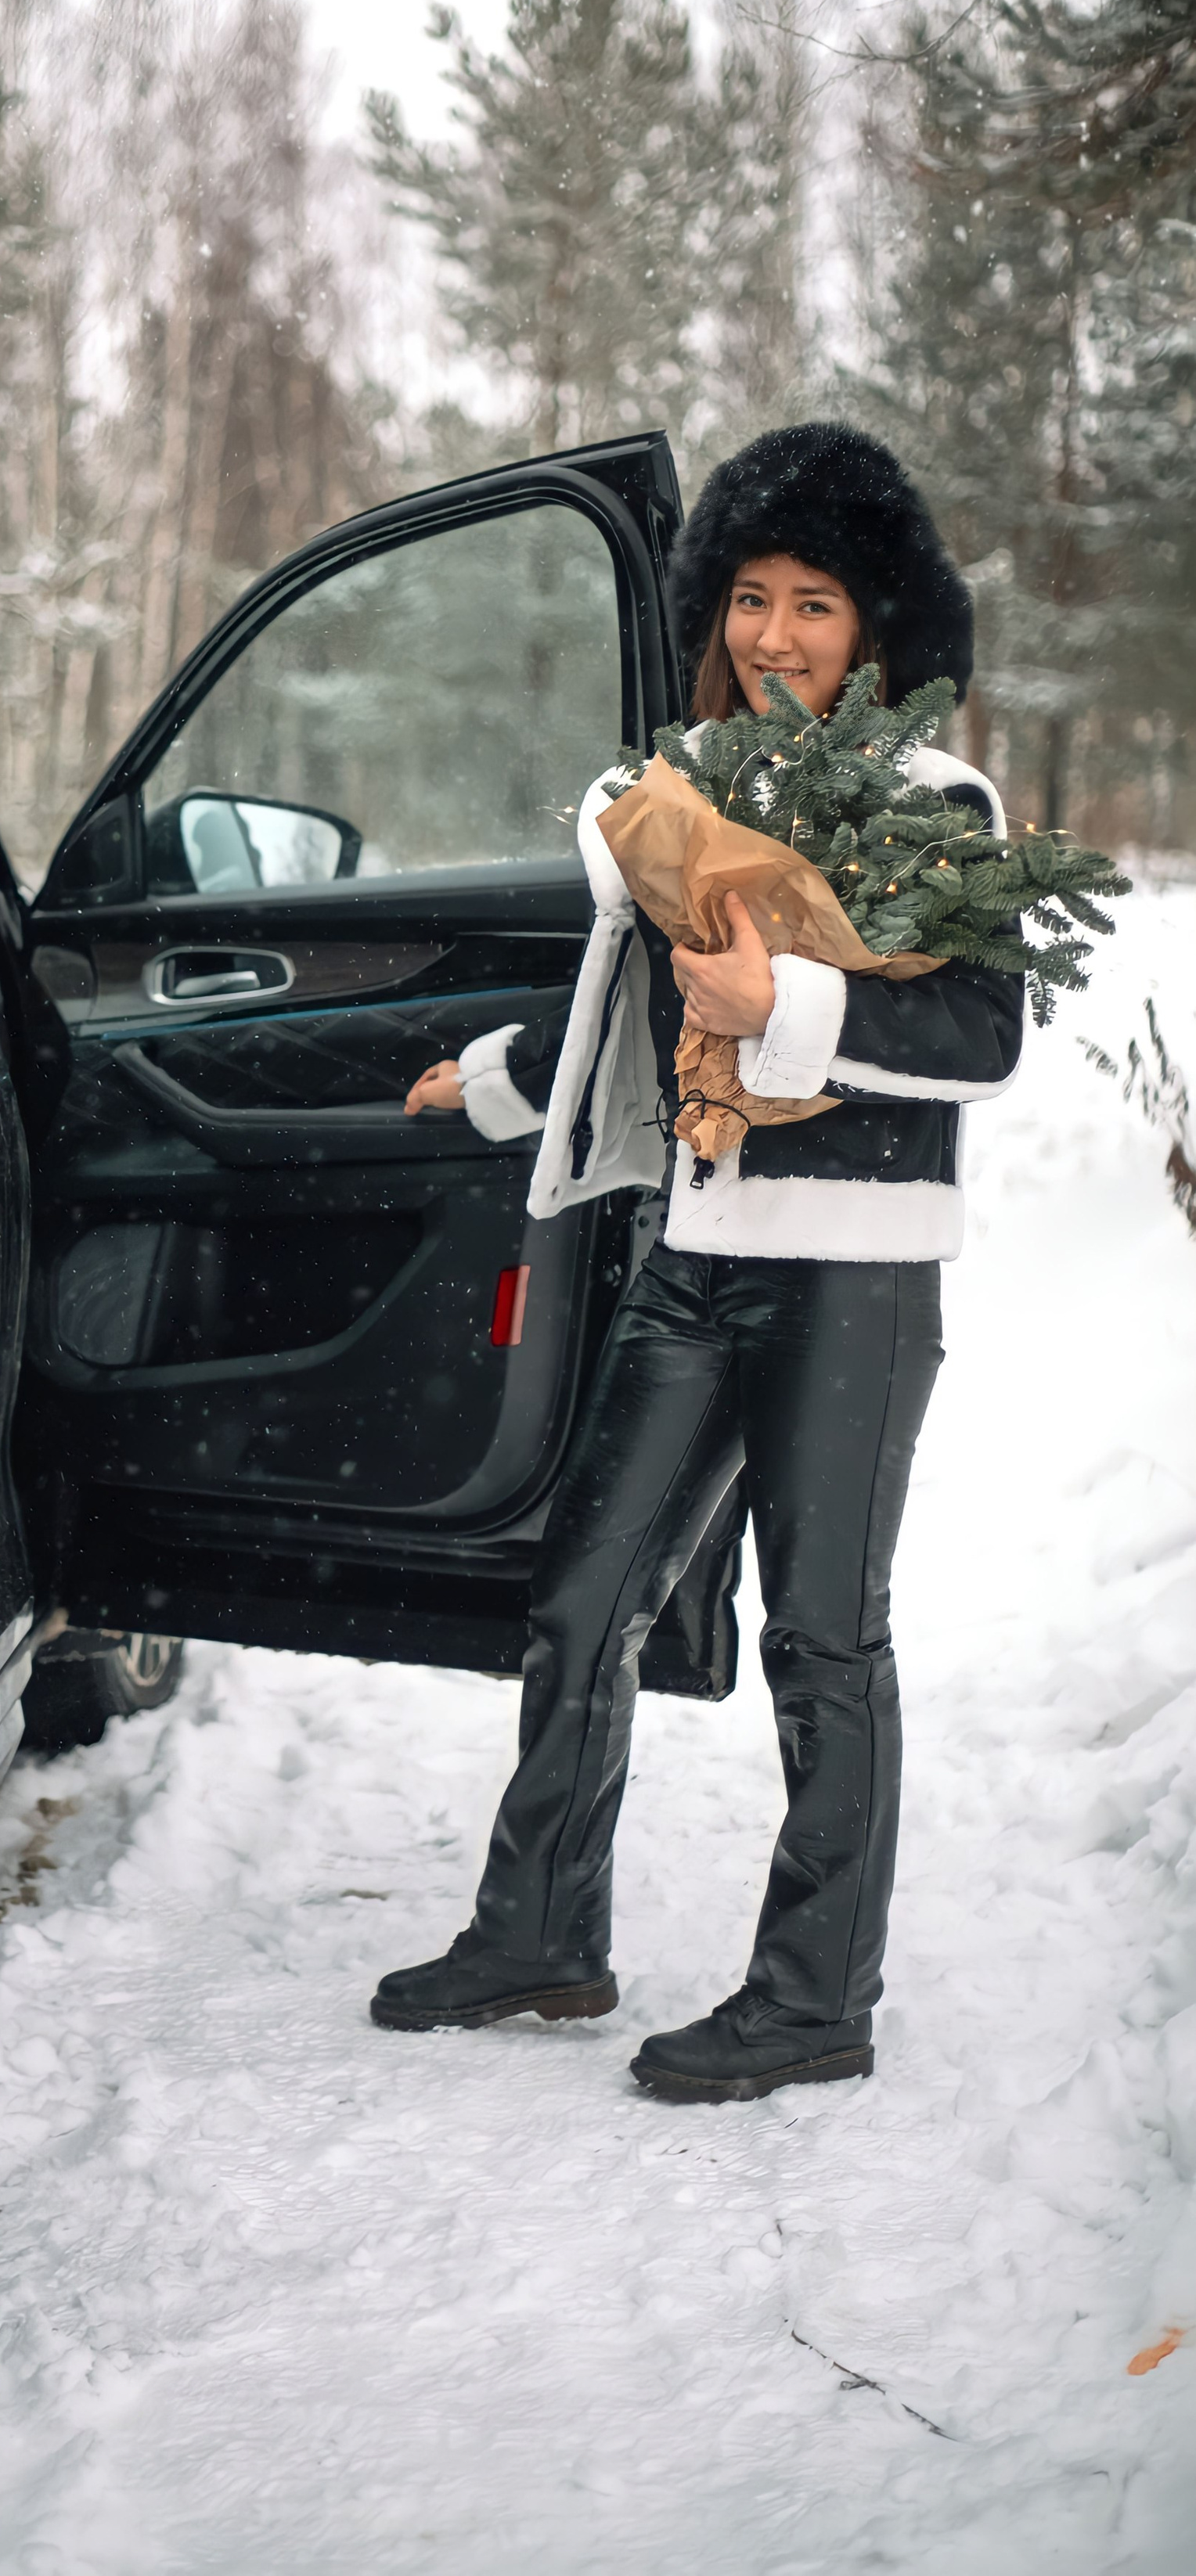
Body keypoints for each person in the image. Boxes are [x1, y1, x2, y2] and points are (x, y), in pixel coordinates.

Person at [373, 423, 1023, 2103]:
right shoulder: (689, 795)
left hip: (850, 1277)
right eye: (748, 597)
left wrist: (790, 1011)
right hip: (694, 1247)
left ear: (875, 630)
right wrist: (502, 1080)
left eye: (813, 604)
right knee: (582, 1593)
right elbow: (641, 1022)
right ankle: (540, 1932)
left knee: (822, 1639)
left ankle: (814, 1996)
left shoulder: (934, 806)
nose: (773, 635)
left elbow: (975, 1032)